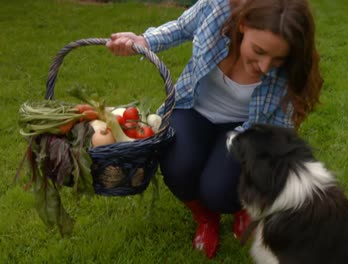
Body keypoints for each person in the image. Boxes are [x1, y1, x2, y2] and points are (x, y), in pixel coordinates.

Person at [106, 0, 323, 259]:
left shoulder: (289, 70)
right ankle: (206, 220)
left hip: (245, 128)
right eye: (259, 50)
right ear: (243, 25)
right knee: (178, 169)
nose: (265, 67)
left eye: (277, 58)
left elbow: (277, 132)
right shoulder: (216, 8)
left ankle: (242, 209)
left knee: (219, 191)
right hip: (193, 107)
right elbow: (181, 27)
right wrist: (144, 41)